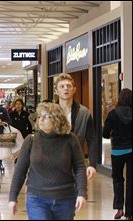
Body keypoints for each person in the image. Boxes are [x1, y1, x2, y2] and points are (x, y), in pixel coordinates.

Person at [9, 102, 87, 220]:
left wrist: (82, 193)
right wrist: (12, 197)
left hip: (65, 198)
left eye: (46, 116)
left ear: (57, 119)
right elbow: (20, 170)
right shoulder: (31, 140)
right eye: (40, 116)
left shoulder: (70, 139)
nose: (41, 119)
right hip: (37, 198)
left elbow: (80, 167)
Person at [54, 73, 97, 181]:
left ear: (74, 89)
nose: (66, 89)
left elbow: (92, 140)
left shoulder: (84, 113)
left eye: (69, 86)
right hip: (53, 164)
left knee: (78, 195)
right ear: (56, 91)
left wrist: (92, 164)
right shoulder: (50, 112)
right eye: (62, 86)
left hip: (76, 164)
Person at [102, 88, 132, 220]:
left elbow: (105, 134)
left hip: (117, 152)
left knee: (118, 180)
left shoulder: (112, 114)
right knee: (131, 181)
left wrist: (113, 135)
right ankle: (130, 213)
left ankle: (119, 209)